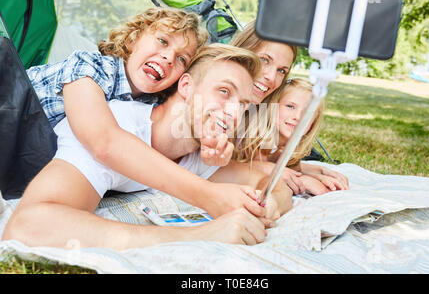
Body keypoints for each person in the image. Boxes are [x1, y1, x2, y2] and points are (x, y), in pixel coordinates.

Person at [2, 44, 292, 250]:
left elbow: (269, 181)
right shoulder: (118, 124)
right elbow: (28, 226)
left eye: (243, 105)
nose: (233, 112)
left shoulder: (200, 154)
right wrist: (200, 235)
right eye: (224, 92)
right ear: (187, 86)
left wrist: (270, 206)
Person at [21, 8, 262, 218]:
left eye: (181, 58)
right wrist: (206, 194)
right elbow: (102, 140)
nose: (168, 57)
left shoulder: (151, 102)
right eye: (163, 41)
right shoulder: (90, 68)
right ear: (132, 40)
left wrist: (211, 154)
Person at [230, 21, 349, 192]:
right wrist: (276, 172)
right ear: (243, 50)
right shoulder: (214, 100)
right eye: (264, 60)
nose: (271, 77)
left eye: (281, 71)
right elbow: (214, 167)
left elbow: (257, 159)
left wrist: (310, 170)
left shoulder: (256, 111)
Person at [235, 77, 349, 195]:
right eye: (290, 106)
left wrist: (321, 174)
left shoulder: (287, 142)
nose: (298, 116)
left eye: (307, 112)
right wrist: (303, 181)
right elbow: (254, 167)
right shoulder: (258, 135)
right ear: (272, 105)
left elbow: (290, 169)